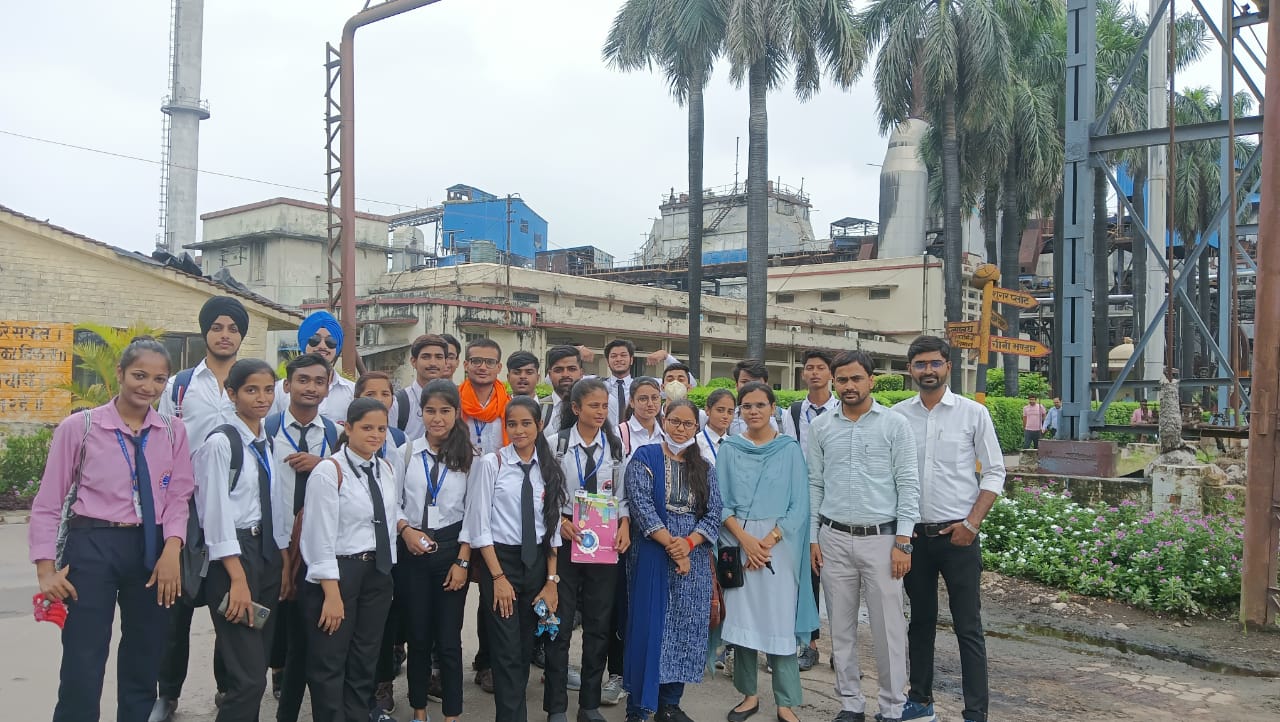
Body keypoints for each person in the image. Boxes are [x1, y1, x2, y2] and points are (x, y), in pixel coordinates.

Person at [30, 336, 196, 722]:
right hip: (92, 544)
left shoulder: (173, 431)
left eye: (159, 379)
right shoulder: (81, 427)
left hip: (152, 547)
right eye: (139, 375)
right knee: (83, 658)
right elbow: (49, 500)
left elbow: (179, 496)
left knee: (144, 656)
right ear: (120, 374)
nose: (148, 387)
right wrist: (45, 569)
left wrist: (172, 550)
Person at [892, 335, 1005, 722]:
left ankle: (975, 712)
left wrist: (971, 524)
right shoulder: (898, 416)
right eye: (920, 364)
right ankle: (920, 701)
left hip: (958, 537)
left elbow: (995, 472)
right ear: (910, 369)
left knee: (968, 626)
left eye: (935, 363)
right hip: (914, 538)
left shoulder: (973, 414)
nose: (928, 370)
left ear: (948, 367)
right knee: (920, 622)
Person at [808, 350, 920, 722]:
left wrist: (903, 540)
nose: (849, 386)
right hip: (833, 539)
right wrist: (813, 539)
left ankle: (892, 706)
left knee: (889, 630)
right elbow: (814, 484)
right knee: (840, 627)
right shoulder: (821, 427)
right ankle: (851, 703)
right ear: (834, 382)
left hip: (883, 541)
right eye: (842, 380)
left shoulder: (895, 425)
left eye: (856, 378)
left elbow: (908, 484)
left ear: (871, 380)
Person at [154, 295, 250, 722]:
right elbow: (162, 445)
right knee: (174, 607)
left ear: (242, 336)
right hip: (187, 509)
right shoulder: (180, 386)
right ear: (205, 332)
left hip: (237, 509)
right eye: (217, 327)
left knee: (227, 604)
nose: (225, 335)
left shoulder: (252, 382)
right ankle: (167, 694)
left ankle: (227, 688)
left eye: (233, 329)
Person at [193, 358, 289, 722]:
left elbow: (275, 506)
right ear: (232, 394)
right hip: (234, 558)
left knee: (255, 668)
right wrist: (237, 579)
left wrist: (283, 562)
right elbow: (214, 515)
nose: (262, 398)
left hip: (266, 554)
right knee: (248, 680)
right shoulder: (221, 443)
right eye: (251, 390)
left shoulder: (267, 443)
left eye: (268, 390)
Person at [717, 382, 818, 722]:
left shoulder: (789, 449)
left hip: (780, 547)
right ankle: (749, 696)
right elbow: (721, 503)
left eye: (760, 405)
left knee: (779, 620)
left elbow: (799, 505)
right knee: (743, 621)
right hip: (738, 543)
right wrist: (746, 541)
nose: (754, 411)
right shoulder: (730, 448)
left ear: (773, 408)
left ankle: (785, 702)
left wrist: (768, 541)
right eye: (747, 406)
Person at [461, 396, 565, 722]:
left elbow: (553, 530)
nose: (519, 430)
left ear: (539, 426)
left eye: (526, 424)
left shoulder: (549, 468)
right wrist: (498, 578)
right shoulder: (492, 464)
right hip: (501, 562)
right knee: (505, 651)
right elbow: (479, 527)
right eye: (512, 424)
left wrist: (551, 582)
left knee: (522, 649)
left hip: (536, 564)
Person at [300, 398, 401, 722]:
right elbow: (319, 535)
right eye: (367, 427)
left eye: (381, 429)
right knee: (330, 658)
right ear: (348, 428)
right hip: (339, 572)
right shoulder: (329, 471)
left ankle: (357, 715)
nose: (375, 435)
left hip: (377, 571)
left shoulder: (385, 469)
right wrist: (331, 594)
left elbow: (388, 521)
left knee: (364, 656)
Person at [622, 400, 723, 722]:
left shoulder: (705, 467)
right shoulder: (645, 457)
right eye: (675, 422)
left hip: (694, 556)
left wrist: (688, 544)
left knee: (684, 629)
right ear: (664, 421)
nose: (681, 429)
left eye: (688, 424)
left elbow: (715, 513)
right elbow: (640, 506)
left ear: (696, 428)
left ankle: (669, 704)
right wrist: (673, 546)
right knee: (649, 626)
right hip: (652, 551)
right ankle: (639, 707)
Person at [546, 379, 629, 722]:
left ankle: (589, 705)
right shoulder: (556, 444)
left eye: (604, 406)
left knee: (598, 625)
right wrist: (559, 524)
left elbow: (621, 496)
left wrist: (624, 525)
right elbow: (545, 493)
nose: (600, 412)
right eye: (593, 405)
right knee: (560, 625)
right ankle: (556, 707)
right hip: (567, 540)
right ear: (576, 408)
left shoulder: (615, 446)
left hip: (604, 544)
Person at [396, 380, 474, 722]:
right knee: (418, 635)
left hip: (451, 550)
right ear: (421, 413)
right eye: (430, 411)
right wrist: (405, 530)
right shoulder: (406, 453)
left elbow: (474, 514)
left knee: (448, 639)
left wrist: (462, 561)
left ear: (456, 413)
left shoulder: (470, 457)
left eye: (445, 411)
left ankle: (451, 714)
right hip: (413, 550)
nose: (437, 418)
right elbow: (392, 503)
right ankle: (419, 711)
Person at [266, 354, 339, 721]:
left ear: (327, 388)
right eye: (303, 380)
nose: (311, 387)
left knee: (307, 631)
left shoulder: (334, 434)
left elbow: (345, 482)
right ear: (287, 385)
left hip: (316, 546)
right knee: (278, 628)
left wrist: (322, 464)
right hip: (275, 543)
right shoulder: (268, 429)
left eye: (319, 381)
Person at [778, 348, 838, 671]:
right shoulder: (794, 411)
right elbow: (789, 452)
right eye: (809, 368)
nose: (814, 373)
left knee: (840, 579)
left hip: (838, 497)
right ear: (803, 374)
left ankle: (841, 648)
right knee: (808, 575)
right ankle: (810, 644)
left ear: (831, 374)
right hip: (804, 498)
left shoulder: (842, 408)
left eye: (820, 367)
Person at [270, 311, 355, 424]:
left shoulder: (351, 391)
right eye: (315, 340)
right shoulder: (279, 390)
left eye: (330, 341)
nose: (322, 346)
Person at [393, 334, 453, 439]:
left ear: (446, 362)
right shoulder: (398, 403)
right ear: (413, 361)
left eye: (438, 357)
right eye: (426, 357)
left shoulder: (454, 400)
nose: (433, 363)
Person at [460, 338, 510, 455]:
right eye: (476, 361)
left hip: (500, 466)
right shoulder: (454, 402)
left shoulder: (509, 405)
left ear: (499, 367)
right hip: (461, 465)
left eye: (490, 362)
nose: (483, 367)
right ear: (466, 365)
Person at [728, 360, 782, 435]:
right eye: (744, 382)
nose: (750, 386)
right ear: (736, 385)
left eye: (755, 382)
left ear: (766, 385)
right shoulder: (728, 417)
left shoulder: (783, 417)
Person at [542, 345, 586, 437]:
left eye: (571, 369)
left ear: (581, 373)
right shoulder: (539, 409)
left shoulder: (591, 408)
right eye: (558, 370)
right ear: (549, 374)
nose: (565, 374)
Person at [620, 377, 664, 462]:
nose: (650, 404)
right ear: (632, 402)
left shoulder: (666, 434)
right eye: (643, 399)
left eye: (655, 398)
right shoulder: (620, 434)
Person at [697, 389, 736, 466]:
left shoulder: (735, 445)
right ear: (707, 410)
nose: (725, 416)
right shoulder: (696, 443)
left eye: (730, 412)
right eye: (720, 410)